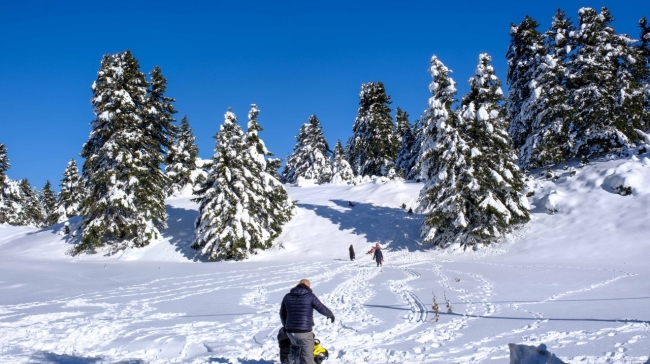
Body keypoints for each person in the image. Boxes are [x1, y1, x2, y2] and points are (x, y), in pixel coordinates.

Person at [280, 279, 335, 364]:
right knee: (307, 357)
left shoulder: (287, 296)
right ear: (308, 286)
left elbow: (282, 314)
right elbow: (321, 307)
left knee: (294, 350)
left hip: (290, 332)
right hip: (304, 332)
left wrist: (286, 326)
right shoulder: (310, 296)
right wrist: (330, 314)